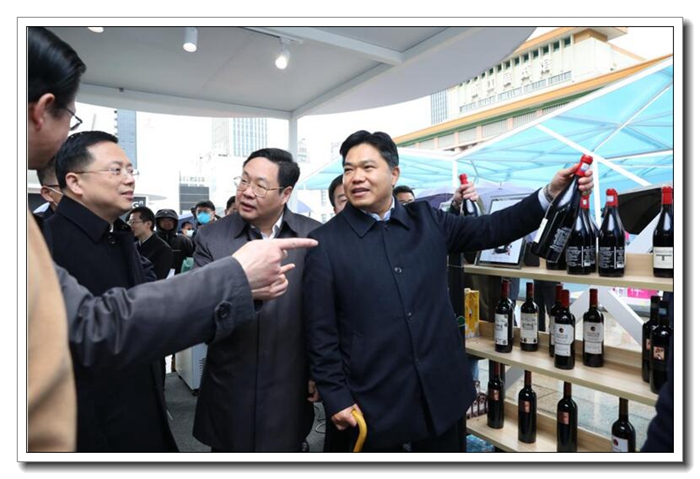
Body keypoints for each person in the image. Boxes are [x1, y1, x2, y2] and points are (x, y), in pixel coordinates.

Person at [26, 26, 317, 452]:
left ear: (286, 193)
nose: (129, 180)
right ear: (42, 110)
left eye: (131, 170)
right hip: (89, 424)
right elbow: (93, 325)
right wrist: (236, 276)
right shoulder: (44, 238)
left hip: (151, 402)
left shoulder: (118, 236)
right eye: (116, 170)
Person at [303, 130, 593, 452]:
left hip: (440, 394)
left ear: (394, 173)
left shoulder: (427, 220)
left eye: (367, 167)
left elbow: (492, 228)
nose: (356, 177)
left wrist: (549, 194)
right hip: (371, 401)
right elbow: (319, 331)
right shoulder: (325, 243)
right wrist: (336, 396)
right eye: (348, 169)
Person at [192, 148, 321, 452]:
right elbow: (197, 308)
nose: (247, 192)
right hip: (230, 378)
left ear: (285, 193)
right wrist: (243, 291)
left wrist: (318, 370)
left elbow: (323, 312)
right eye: (243, 180)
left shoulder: (313, 236)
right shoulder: (211, 237)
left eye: (260, 186)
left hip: (289, 377)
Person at [129, 206, 174, 280]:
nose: (131, 226)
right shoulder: (133, 246)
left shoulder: (163, 249)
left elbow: (158, 279)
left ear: (148, 224)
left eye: (134, 222)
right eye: (130, 222)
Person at [155, 208, 194, 274]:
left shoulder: (184, 240)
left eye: (170, 220)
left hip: (179, 277)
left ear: (175, 222)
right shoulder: (152, 240)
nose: (167, 223)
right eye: (163, 220)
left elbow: (191, 260)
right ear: (158, 222)